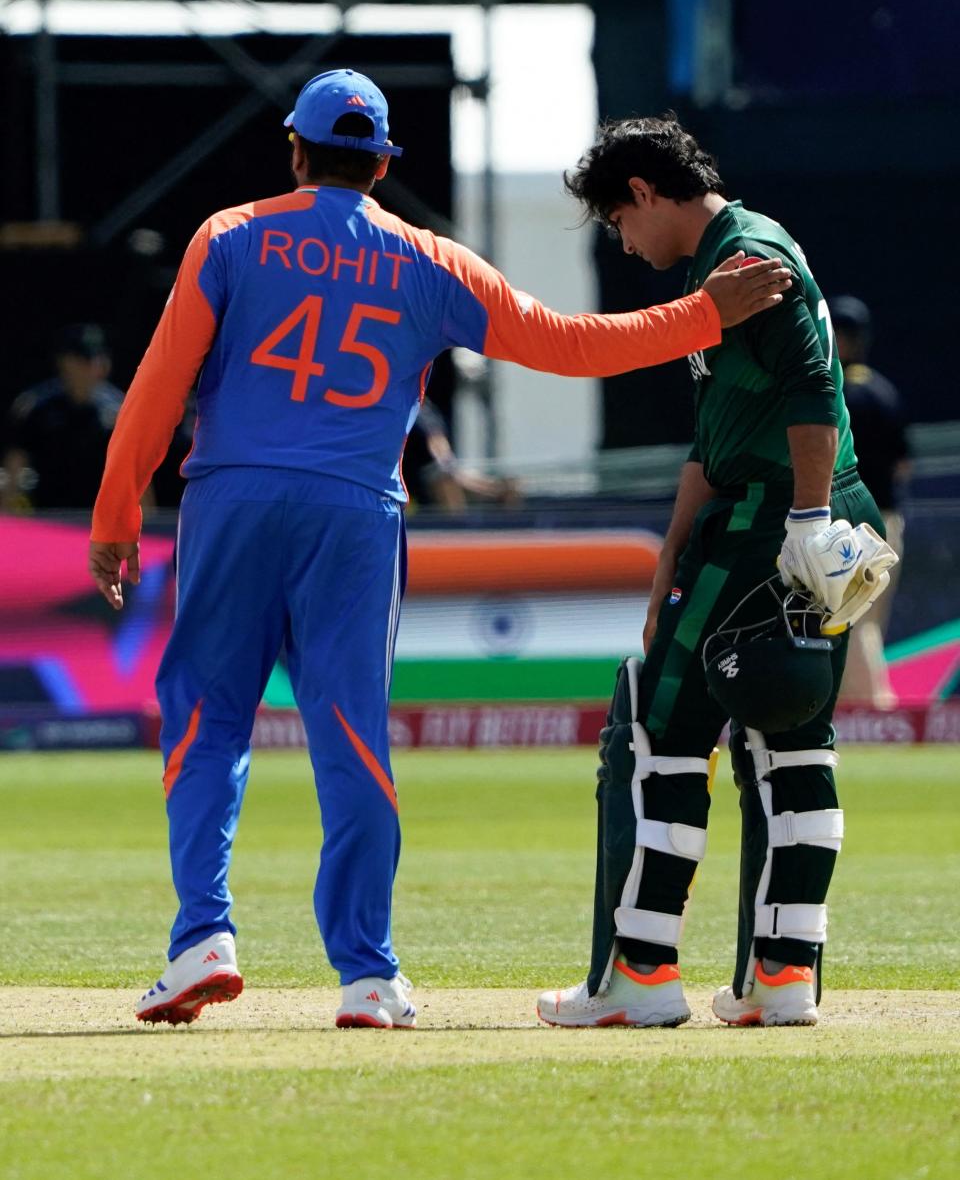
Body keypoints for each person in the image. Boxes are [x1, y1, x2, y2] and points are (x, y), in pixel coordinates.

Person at [87, 71, 790, 1031]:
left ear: (295, 152)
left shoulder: (231, 235)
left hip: (232, 500)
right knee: (352, 738)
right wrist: (706, 314)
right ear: (380, 165)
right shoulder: (429, 262)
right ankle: (368, 977)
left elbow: (161, 385)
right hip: (354, 516)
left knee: (207, 725)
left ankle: (201, 938)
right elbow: (573, 344)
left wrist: (116, 513)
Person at [536, 113, 894, 1030]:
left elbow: (817, 392)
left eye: (621, 221)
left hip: (775, 515)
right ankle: (782, 977)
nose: (624, 240)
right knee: (792, 733)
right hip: (793, 510)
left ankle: (640, 973)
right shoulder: (720, 268)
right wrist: (666, 568)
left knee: (657, 727)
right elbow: (715, 436)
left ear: (647, 193)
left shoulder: (746, 257)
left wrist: (805, 522)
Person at [831, 296, 909, 709]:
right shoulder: (884, 391)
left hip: (854, 522)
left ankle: (878, 710)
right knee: (869, 622)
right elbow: (903, 467)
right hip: (890, 519)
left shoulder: (841, 396)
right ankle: (872, 706)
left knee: (852, 619)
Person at [2, 323, 124, 513]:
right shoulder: (35, 407)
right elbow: (15, 469)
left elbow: (132, 474)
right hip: (47, 518)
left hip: (99, 520)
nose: (95, 366)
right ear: (65, 361)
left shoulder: (118, 410)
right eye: (85, 359)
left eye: (100, 358)